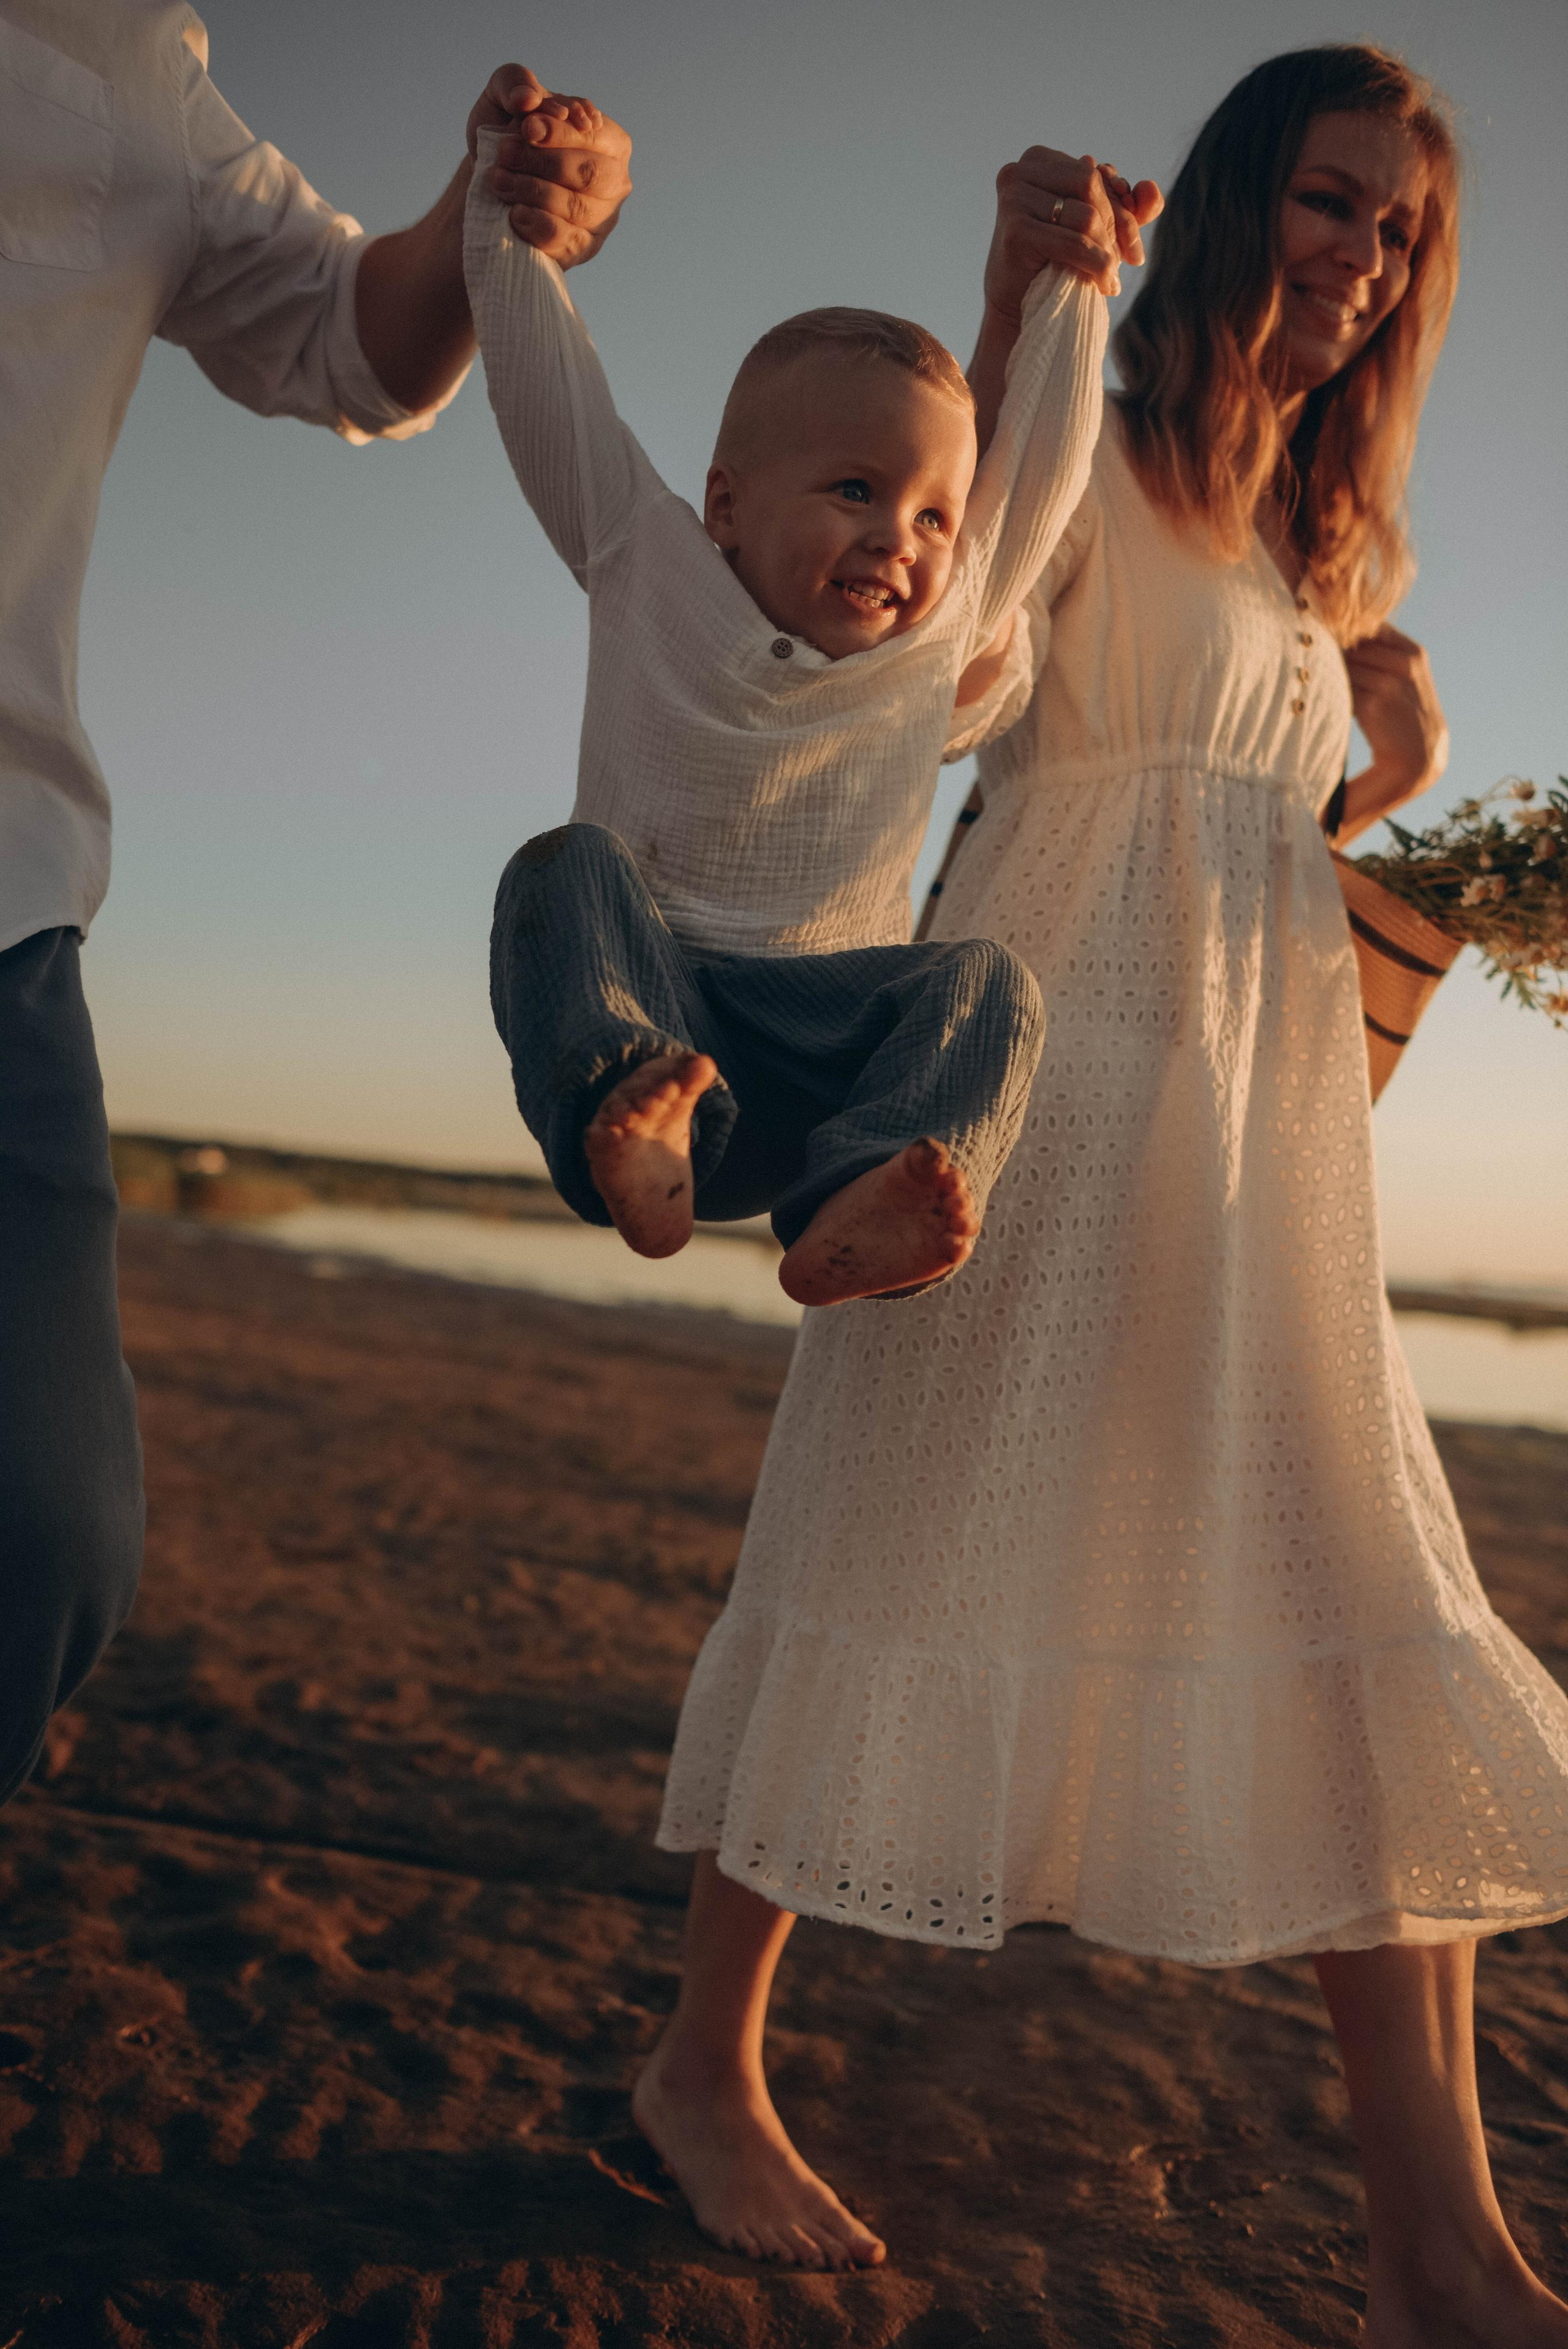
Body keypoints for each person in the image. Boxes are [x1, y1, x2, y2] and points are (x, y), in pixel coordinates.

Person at [641, 42, 1568, 2344]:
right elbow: (948, 671)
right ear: (1250, 193)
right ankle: (698, 2058)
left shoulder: (1326, 551)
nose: (1364, 258)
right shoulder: (1100, 442)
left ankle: (1439, 2252)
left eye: (1403, 231)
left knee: (1356, 1587)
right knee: (894, 1517)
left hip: (1263, 1152)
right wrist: (1015, 298)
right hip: (1040, 1093)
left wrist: (1396, 781)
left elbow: (1252, 869)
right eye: (1335, 202)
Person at [0, 8, 631, 1810]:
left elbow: (354, 333)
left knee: (39, 1536)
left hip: (4, 891)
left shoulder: (136, 68)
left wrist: (489, 204)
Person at [471, 115, 1157, 1307]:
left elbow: (1043, 456)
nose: (901, 538)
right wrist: (503, 205)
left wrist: (1072, 287)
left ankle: (877, 1184)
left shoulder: (940, 624)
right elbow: (545, 386)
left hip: (824, 1073)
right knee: (560, 870)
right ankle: (621, 1109)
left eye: (934, 516)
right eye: (854, 488)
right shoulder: (648, 559)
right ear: (725, 504)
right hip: (661, 1025)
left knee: (986, 984)